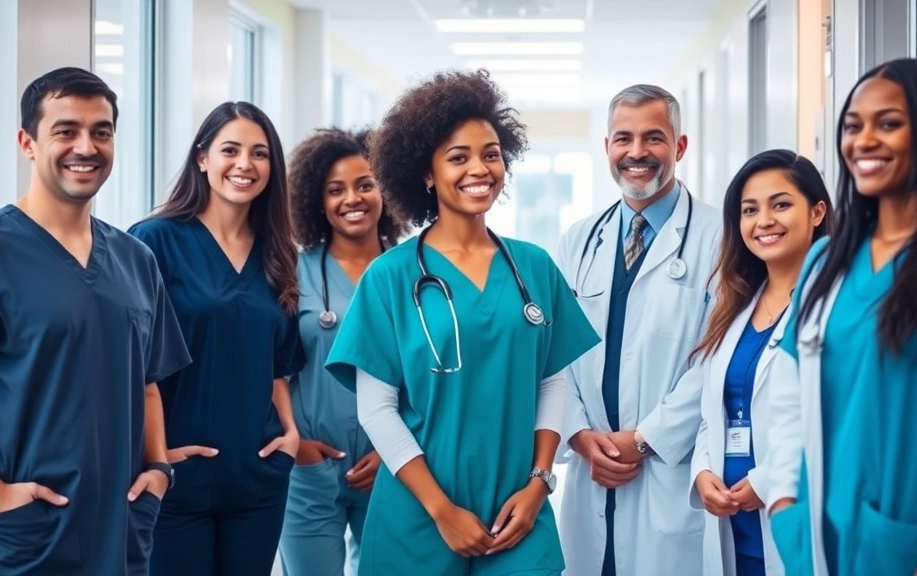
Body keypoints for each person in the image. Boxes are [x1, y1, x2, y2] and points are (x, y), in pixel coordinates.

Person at [322, 69, 600, 576]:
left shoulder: (533, 266)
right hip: (419, 513)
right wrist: (442, 511)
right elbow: (377, 410)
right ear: (426, 173)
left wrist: (540, 483)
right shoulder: (390, 276)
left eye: (491, 153)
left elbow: (553, 380)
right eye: (458, 157)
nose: (480, 168)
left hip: (517, 508)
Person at [0, 67, 190, 576]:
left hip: (121, 533)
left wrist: (158, 470)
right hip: (24, 538)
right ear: (27, 142)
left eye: (101, 132)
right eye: (65, 131)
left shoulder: (136, 259)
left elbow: (148, 381)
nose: (85, 146)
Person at [765, 58, 917, 576]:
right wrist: (783, 504)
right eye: (852, 126)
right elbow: (788, 396)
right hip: (817, 543)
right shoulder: (827, 260)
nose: (863, 140)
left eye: (888, 124)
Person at [128, 101, 306, 576]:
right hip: (177, 477)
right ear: (202, 158)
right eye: (231, 150)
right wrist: (157, 456)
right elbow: (131, 365)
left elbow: (277, 366)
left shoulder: (280, 254)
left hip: (258, 476)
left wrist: (289, 434)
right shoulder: (152, 241)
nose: (245, 164)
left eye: (260, 153)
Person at [555, 84, 722, 576]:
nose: (636, 153)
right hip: (593, 472)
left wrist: (646, 438)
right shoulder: (578, 240)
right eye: (623, 138)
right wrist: (581, 435)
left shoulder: (721, 237)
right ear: (607, 147)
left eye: (653, 138)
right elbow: (554, 357)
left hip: (669, 472)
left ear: (680, 146)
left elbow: (719, 358)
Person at [687, 150, 831, 576]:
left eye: (781, 204)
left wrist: (768, 481)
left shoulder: (833, 301)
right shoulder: (736, 305)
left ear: (817, 211)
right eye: (750, 210)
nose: (763, 221)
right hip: (731, 522)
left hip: (793, 515)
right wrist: (702, 474)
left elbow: (840, 414)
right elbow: (714, 412)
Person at [278, 128, 408, 576]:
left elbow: (432, 376)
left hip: (393, 464)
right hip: (311, 465)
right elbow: (269, 368)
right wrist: (296, 443)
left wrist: (397, 448)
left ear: (386, 191)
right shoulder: (292, 273)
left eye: (365, 184)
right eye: (335, 189)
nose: (352, 198)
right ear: (317, 200)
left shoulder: (412, 271)